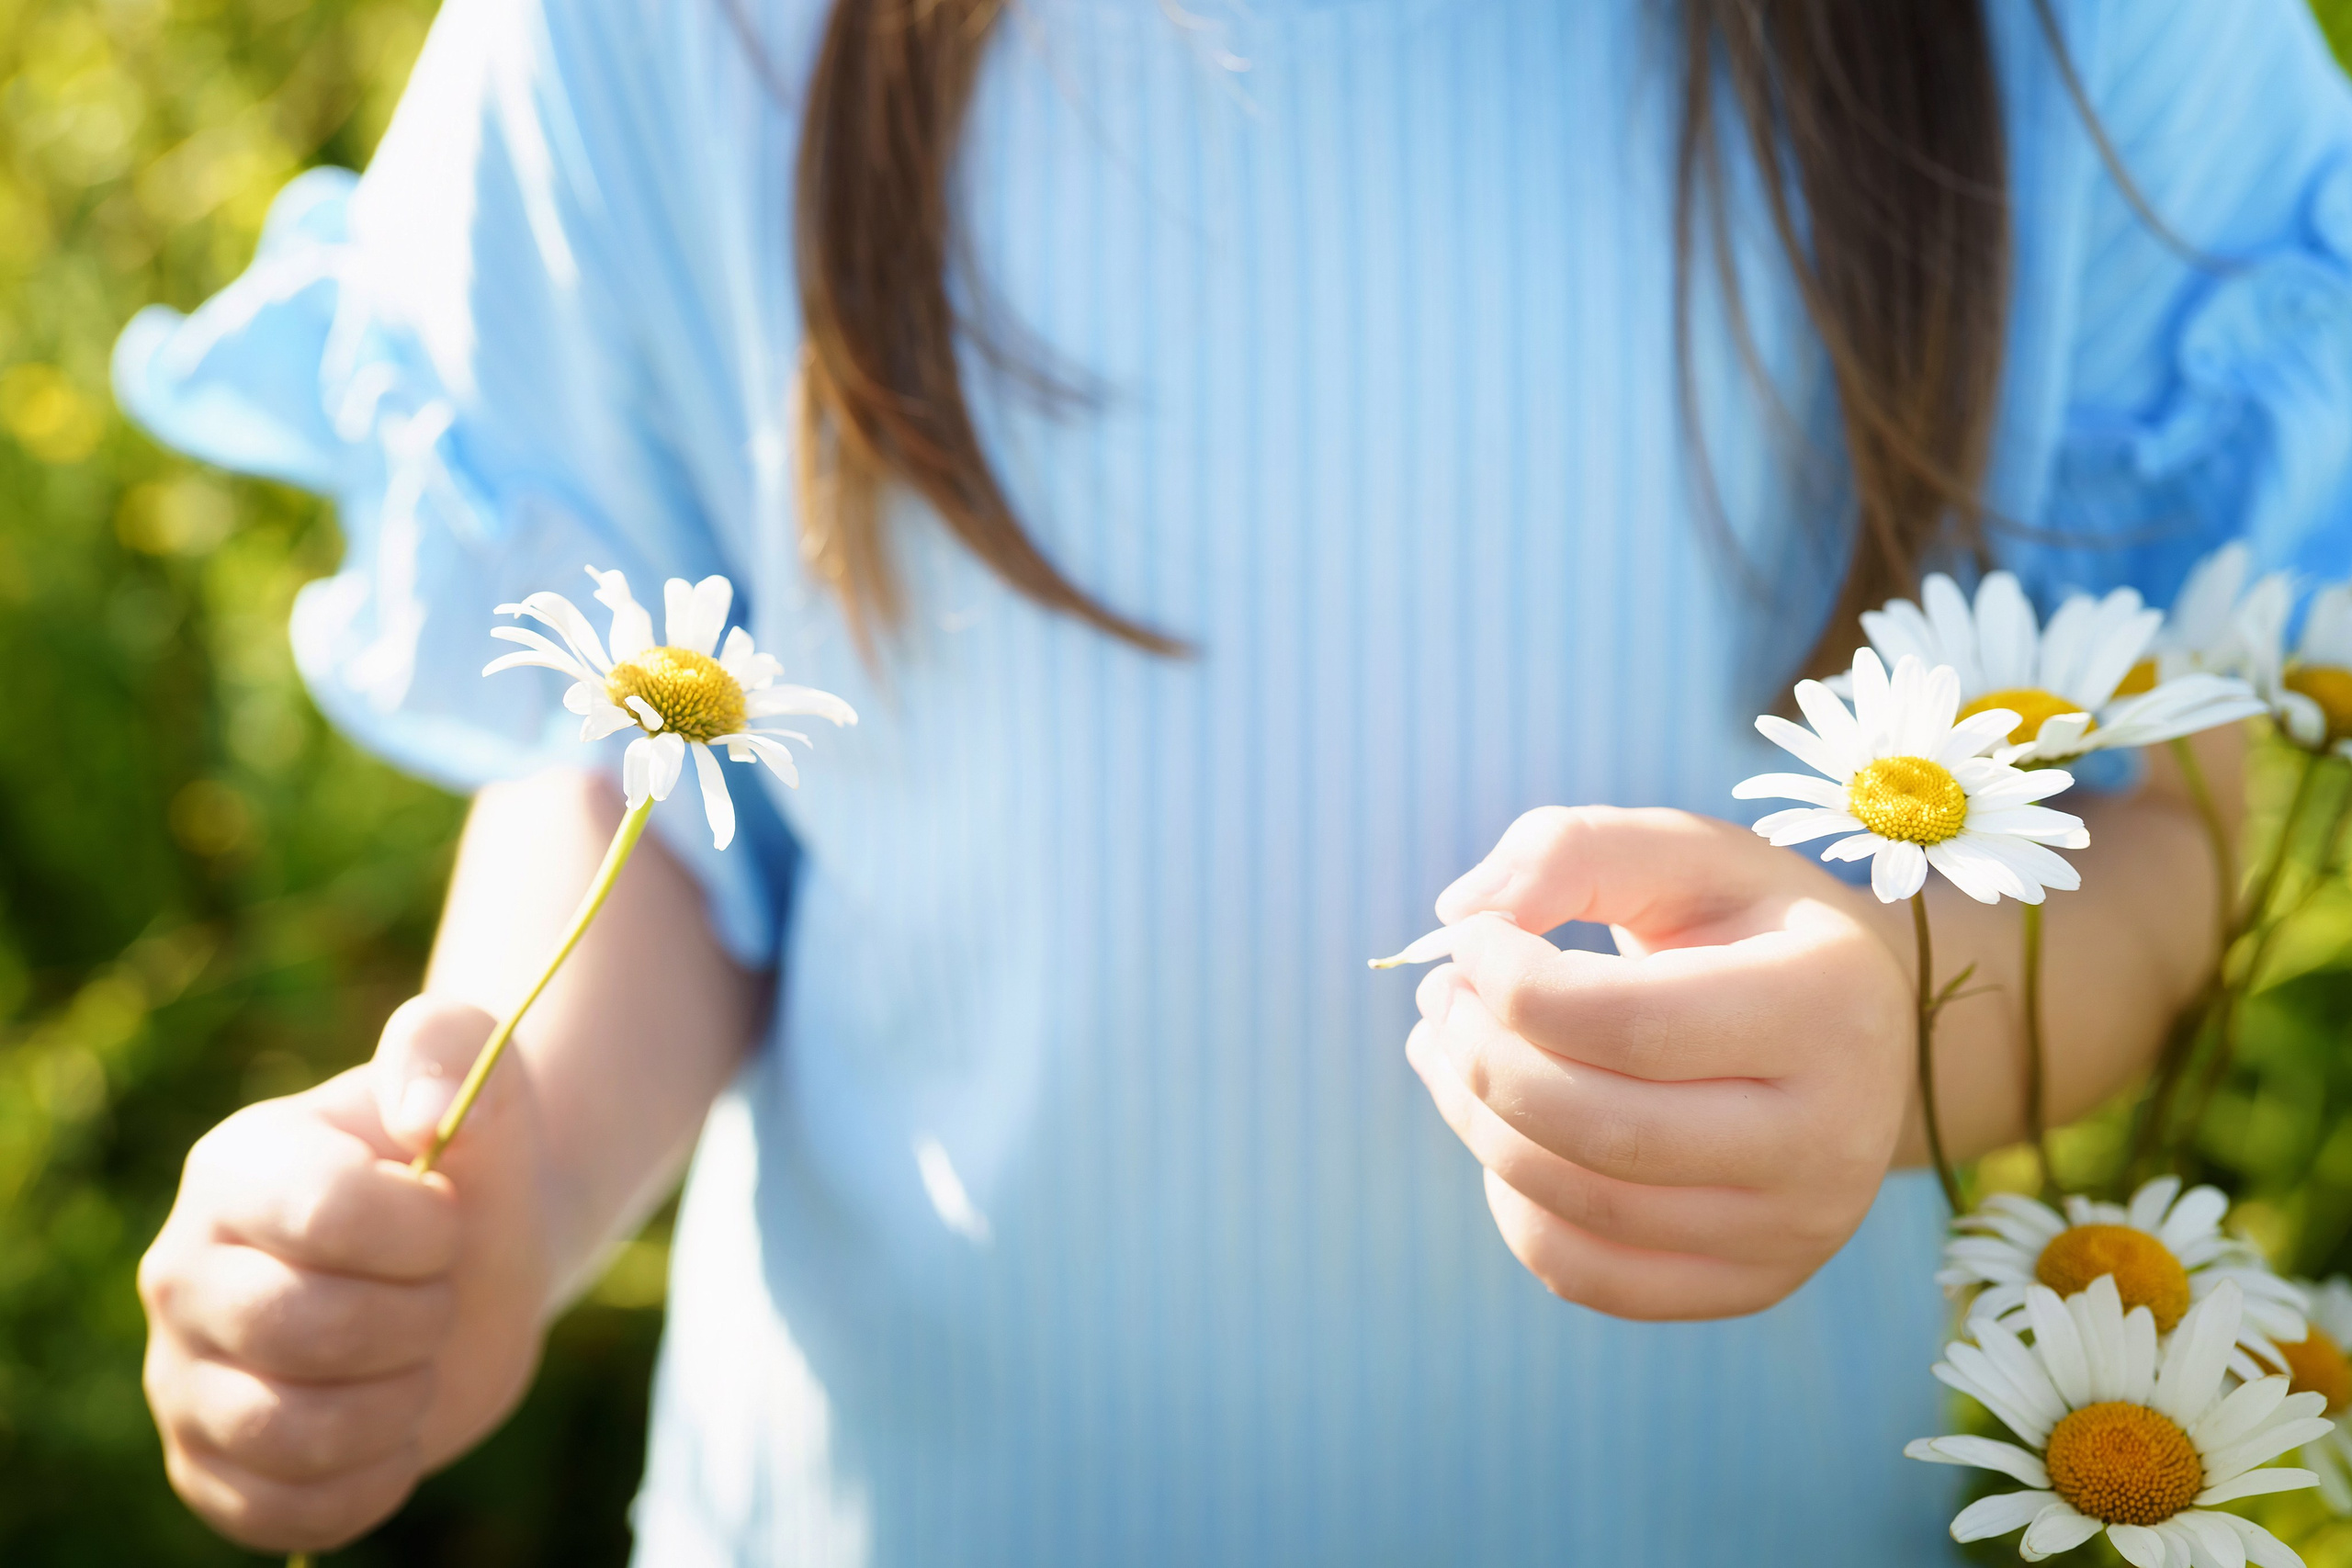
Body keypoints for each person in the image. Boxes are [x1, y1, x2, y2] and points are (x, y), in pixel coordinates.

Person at [114, 0, 2352, 1560]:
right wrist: (500, 1170)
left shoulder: (2075, 29)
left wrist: (1901, 1008)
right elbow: (651, 782)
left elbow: (2167, 809)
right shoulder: (672, 33)